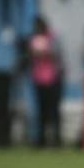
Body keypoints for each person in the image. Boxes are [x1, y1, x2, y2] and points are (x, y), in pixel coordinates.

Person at [26, 16, 63, 148]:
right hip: (39, 79)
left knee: (54, 111)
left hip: (53, 79)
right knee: (41, 111)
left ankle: (56, 140)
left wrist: (44, 53)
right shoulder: (34, 39)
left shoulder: (52, 38)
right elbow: (30, 56)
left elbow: (57, 55)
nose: (36, 28)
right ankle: (41, 140)